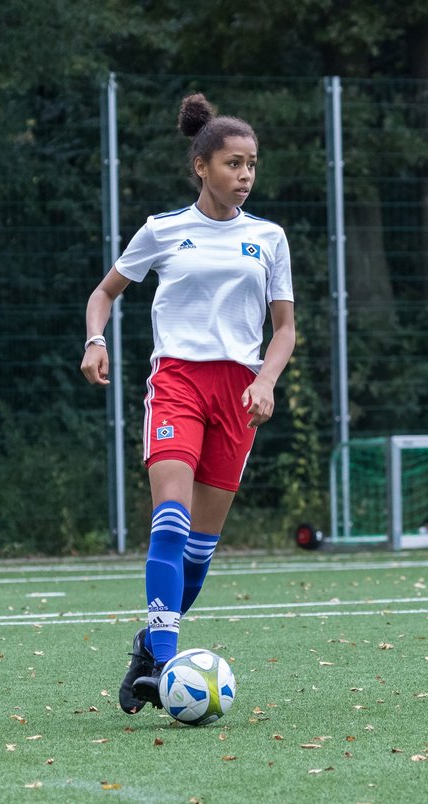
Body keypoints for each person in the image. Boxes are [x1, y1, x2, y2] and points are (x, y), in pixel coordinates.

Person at [80, 93, 296, 713]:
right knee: (170, 522)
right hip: (177, 382)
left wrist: (266, 381)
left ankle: (149, 646)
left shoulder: (269, 238)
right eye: (234, 164)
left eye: (252, 164)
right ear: (201, 166)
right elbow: (104, 293)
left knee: (199, 554)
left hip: (238, 393)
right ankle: (167, 660)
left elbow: (283, 330)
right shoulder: (163, 230)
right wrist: (96, 340)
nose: (246, 175)